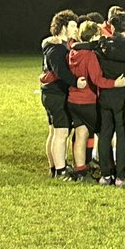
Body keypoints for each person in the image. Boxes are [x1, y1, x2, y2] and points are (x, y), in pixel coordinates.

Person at [67, 21, 125, 181]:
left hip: (73, 100)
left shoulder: (73, 52)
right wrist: (115, 83)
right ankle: (108, 170)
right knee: (104, 134)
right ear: (93, 36)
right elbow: (97, 79)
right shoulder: (90, 55)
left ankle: (81, 171)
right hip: (88, 100)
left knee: (81, 134)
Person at [39, 10, 84, 179]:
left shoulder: (58, 44)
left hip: (50, 93)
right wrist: (75, 82)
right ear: (63, 27)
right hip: (56, 94)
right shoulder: (57, 47)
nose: (75, 29)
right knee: (61, 133)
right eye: (72, 25)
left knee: (53, 132)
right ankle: (61, 171)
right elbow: (61, 72)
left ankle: (54, 167)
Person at [96, 11, 125, 185]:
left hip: (105, 94)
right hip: (122, 96)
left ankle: (105, 174)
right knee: (121, 135)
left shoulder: (103, 45)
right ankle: (120, 175)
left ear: (111, 26)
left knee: (105, 134)